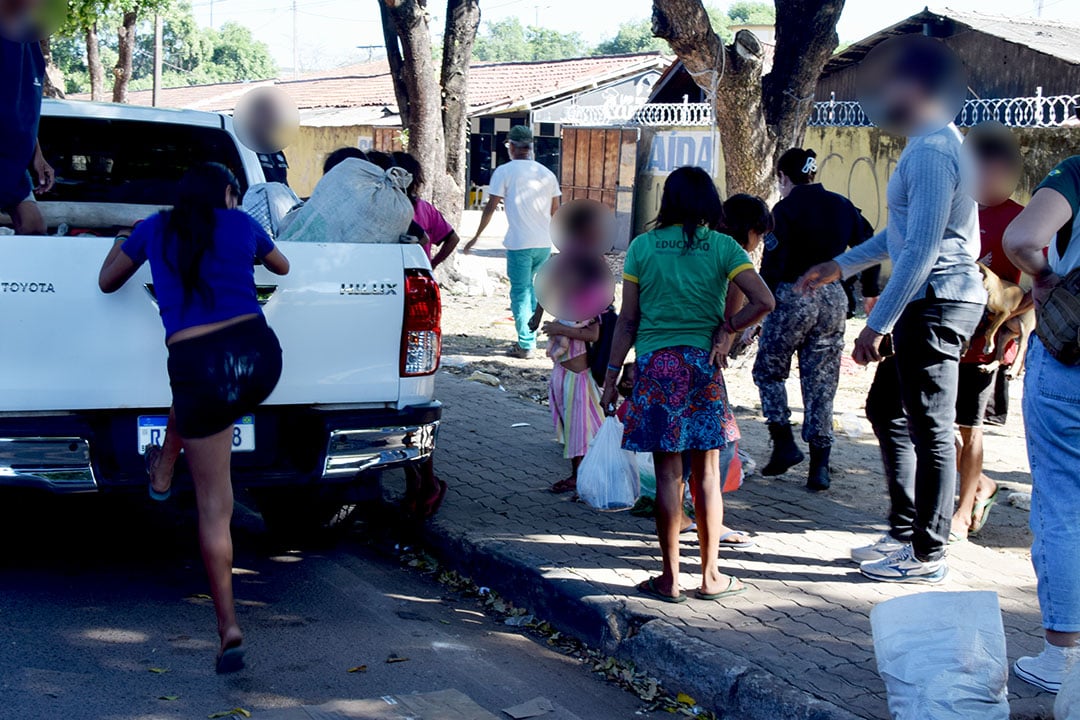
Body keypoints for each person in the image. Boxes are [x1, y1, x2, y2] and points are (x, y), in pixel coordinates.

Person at [797, 39, 986, 583]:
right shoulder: (930, 143)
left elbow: (922, 249)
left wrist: (875, 326)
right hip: (933, 298)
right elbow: (900, 236)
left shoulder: (932, 150)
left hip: (938, 299)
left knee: (931, 428)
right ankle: (905, 531)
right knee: (888, 410)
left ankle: (927, 553)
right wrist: (841, 265)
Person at [98, 163, 290, 673]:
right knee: (197, 403)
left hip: (197, 367)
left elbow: (107, 282)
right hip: (259, 361)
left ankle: (228, 627)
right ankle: (163, 467)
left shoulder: (152, 229)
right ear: (228, 193)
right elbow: (282, 266)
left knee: (213, 504)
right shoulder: (241, 223)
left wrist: (123, 239)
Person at [600, 166, 775, 603]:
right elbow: (764, 300)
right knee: (708, 476)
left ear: (668, 200)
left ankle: (669, 579)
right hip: (702, 368)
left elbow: (627, 320)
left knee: (668, 476)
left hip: (657, 368)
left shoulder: (642, 247)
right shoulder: (724, 246)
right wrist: (727, 329)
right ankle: (711, 577)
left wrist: (610, 376)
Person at [753, 148, 876, 491]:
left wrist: (761, 306)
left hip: (793, 294)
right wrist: (868, 288)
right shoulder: (842, 205)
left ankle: (783, 442)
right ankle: (820, 466)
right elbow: (870, 243)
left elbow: (773, 265)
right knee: (821, 382)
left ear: (783, 177)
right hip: (833, 298)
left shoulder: (784, 210)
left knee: (769, 371)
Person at [1004, 155, 1080, 693]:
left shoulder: (1076, 171)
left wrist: (1046, 277)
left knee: (1063, 503)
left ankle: (1064, 659)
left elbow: (1022, 239)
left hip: (1070, 359)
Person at [949, 123, 1026, 542]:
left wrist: (1010, 332)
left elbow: (1038, 287)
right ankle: (980, 485)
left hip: (984, 346)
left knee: (969, 427)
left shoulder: (1022, 220)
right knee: (934, 425)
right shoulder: (958, 206)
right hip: (945, 335)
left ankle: (963, 512)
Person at [464, 126, 561, 359]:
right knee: (535, 291)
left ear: (512, 147)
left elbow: (490, 206)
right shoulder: (547, 174)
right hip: (543, 243)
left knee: (520, 292)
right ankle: (531, 338)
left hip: (519, 243)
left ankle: (525, 343)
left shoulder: (504, 171)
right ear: (530, 147)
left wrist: (476, 236)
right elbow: (556, 211)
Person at [1, 0, 54, 235]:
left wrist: (37, 155)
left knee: (34, 226)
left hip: (12, 162)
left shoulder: (29, 44)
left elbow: (25, 110)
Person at [392, 151, 461, 269]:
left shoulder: (386, 210)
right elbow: (453, 239)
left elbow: (453, 239)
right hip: (420, 273)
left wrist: (432, 264)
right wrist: (431, 265)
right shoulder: (426, 209)